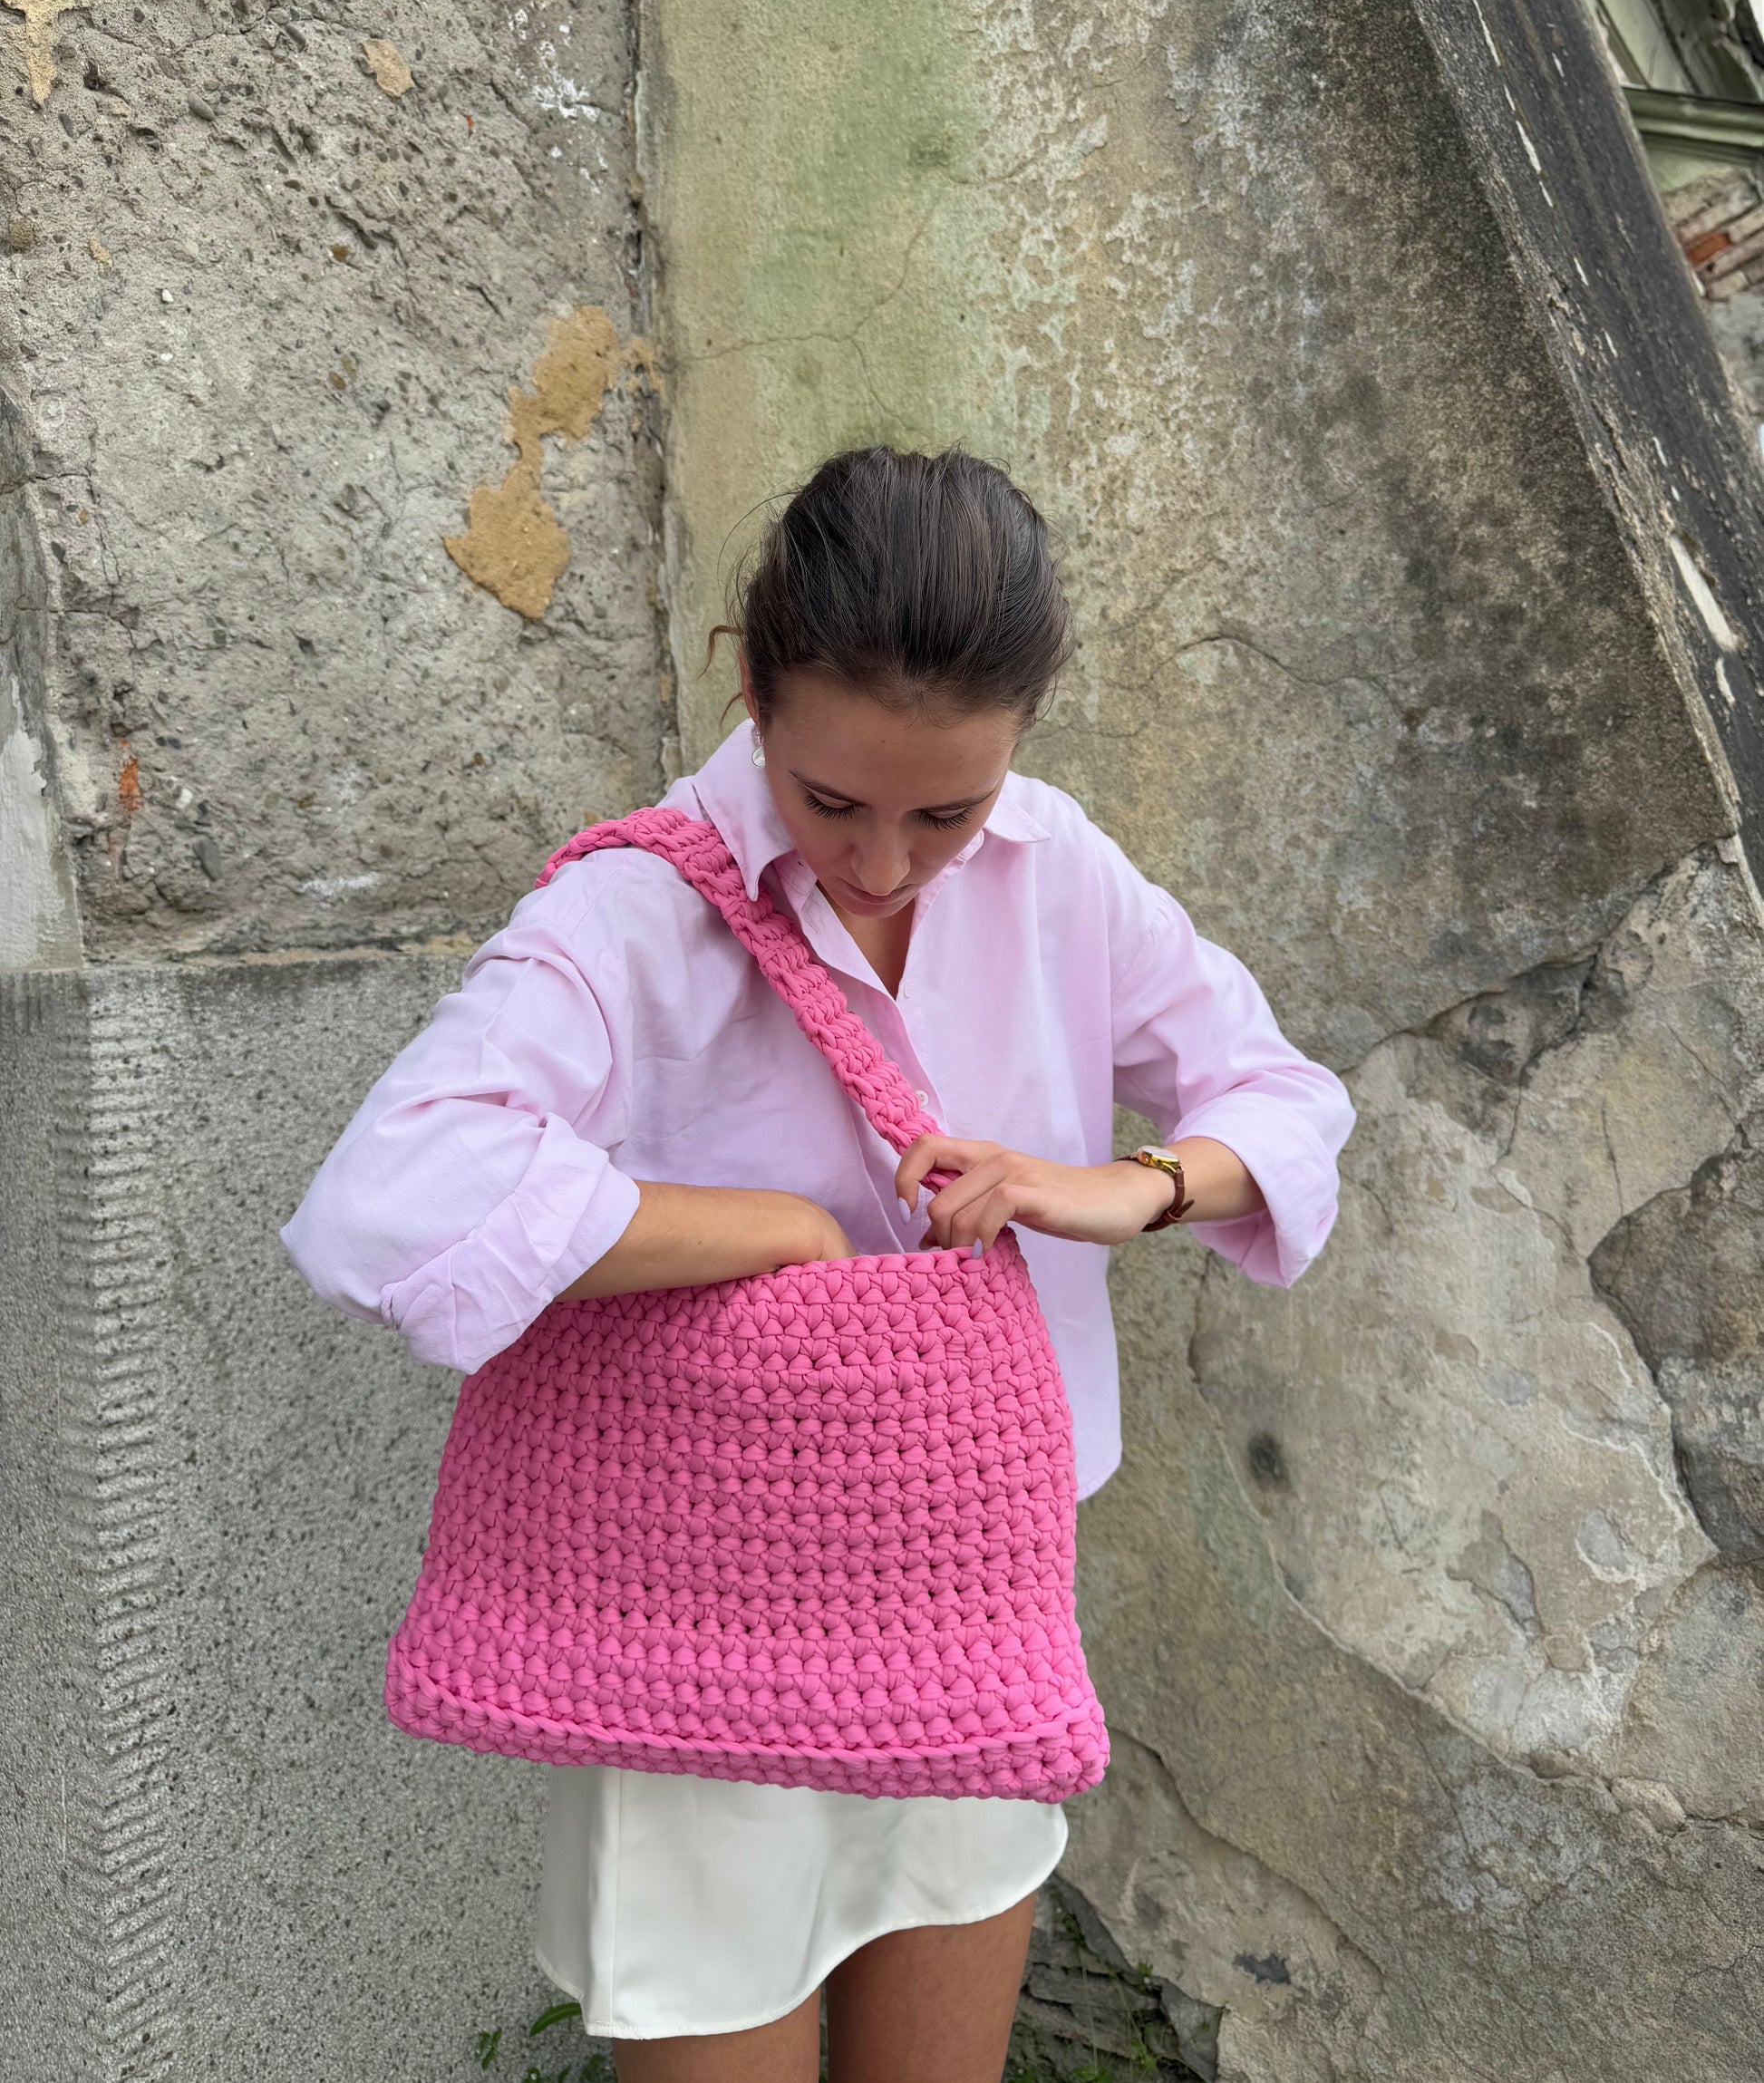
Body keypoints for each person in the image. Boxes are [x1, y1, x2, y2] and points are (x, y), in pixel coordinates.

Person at [283, 445, 1352, 2083]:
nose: (884, 864)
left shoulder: (1055, 866)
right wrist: (774, 1231)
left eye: (948, 810)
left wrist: (1119, 1189)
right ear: (752, 692)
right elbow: (391, 1196)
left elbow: (1276, 1093)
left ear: (1019, 739)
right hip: (689, 1613)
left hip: (966, 1586)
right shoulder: (633, 912)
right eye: (831, 800)